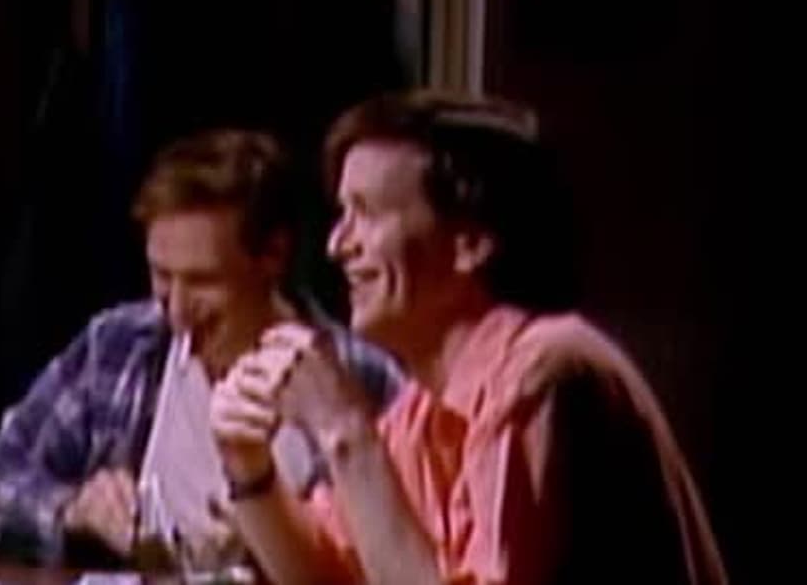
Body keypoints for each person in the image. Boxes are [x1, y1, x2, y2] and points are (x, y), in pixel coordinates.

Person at [211, 90, 729, 584]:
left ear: (471, 243)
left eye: (366, 214)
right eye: (342, 215)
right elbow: (324, 570)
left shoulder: (539, 374)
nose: (336, 245)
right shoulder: (425, 410)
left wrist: (344, 428)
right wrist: (247, 464)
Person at [0, 130, 396, 572]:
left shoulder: (359, 379)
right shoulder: (119, 346)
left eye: (202, 281)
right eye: (162, 276)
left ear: (272, 256)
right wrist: (72, 510)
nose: (177, 310)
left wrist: (279, 538)